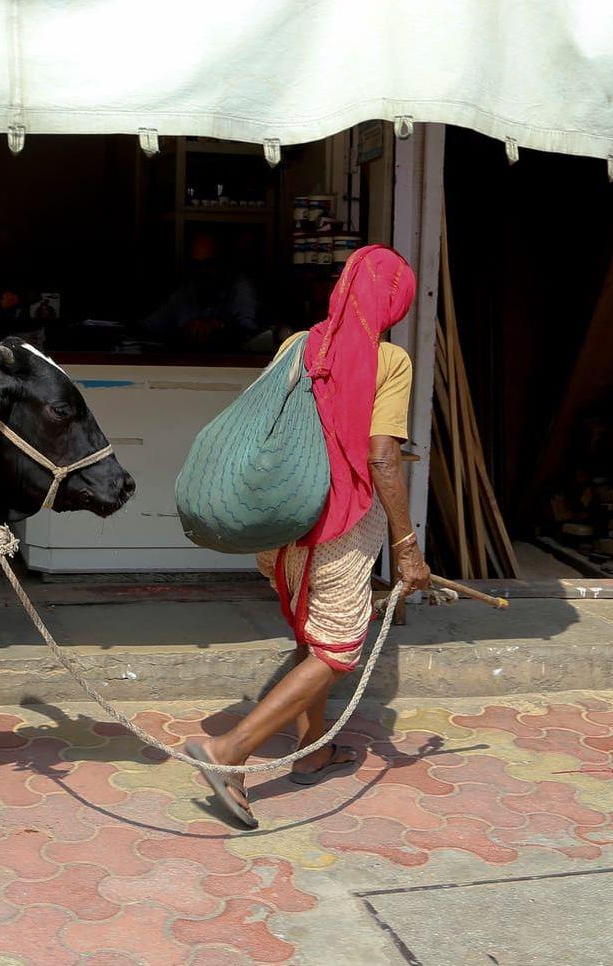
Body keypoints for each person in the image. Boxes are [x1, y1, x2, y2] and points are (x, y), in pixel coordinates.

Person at [186, 244, 432, 829]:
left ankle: (314, 748)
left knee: (309, 628)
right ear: (394, 300)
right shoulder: (388, 360)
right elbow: (380, 456)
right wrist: (406, 545)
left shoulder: (296, 344)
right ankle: (228, 752)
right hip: (343, 524)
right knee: (340, 647)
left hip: (286, 519)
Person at [139, 232, 260, 349]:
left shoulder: (239, 288)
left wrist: (219, 329)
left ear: (221, 264)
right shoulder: (186, 292)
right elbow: (148, 327)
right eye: (197, 265)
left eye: (208, 264)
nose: (202, 271)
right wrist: (182, 333)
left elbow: (250, 335)